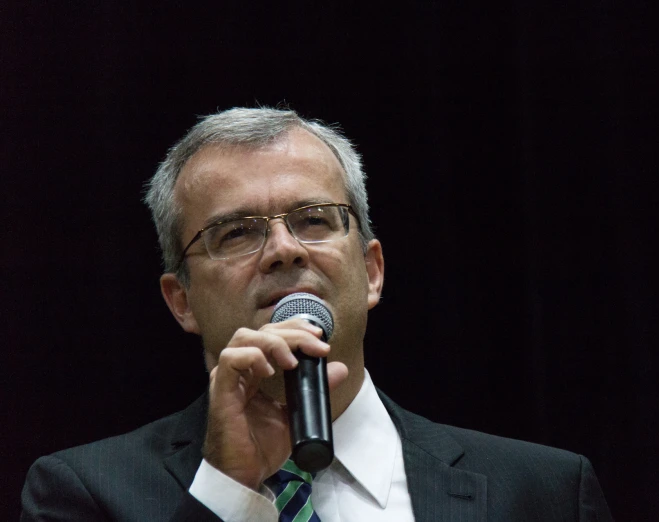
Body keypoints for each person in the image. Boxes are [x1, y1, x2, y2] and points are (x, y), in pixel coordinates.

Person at [21, 107, 613, 521]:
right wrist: (227, 493)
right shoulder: (85, 492)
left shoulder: (544, 492)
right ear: (182, 301)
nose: (285, 249)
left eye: (314, 220)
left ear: (372, 271)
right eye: (235, 233)